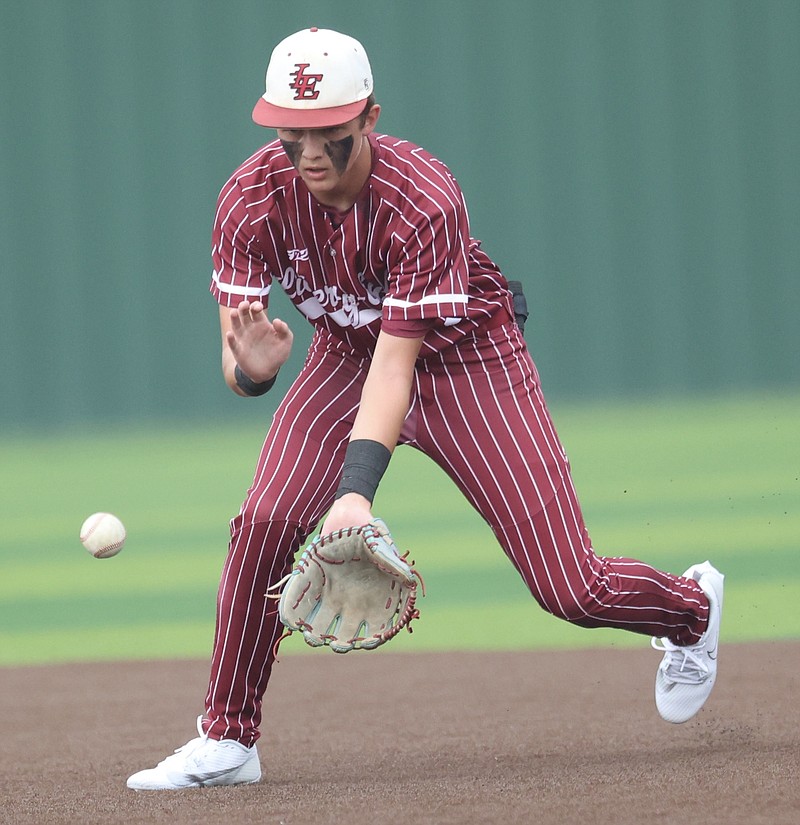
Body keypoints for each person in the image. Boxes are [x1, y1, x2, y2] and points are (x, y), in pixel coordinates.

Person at [126, 27, 724, 791]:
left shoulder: (423, 196)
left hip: (467, 357)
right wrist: (250, 375)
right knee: (266, 521)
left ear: (370, 118)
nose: (308, 151)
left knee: (569, 586)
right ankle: (227, 737)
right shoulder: (249, 199)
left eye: (329, 133)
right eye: (290, 130)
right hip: (343, 356)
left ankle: (690, 610)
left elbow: (396, 364)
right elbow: (243, 354)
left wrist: (354, 490)